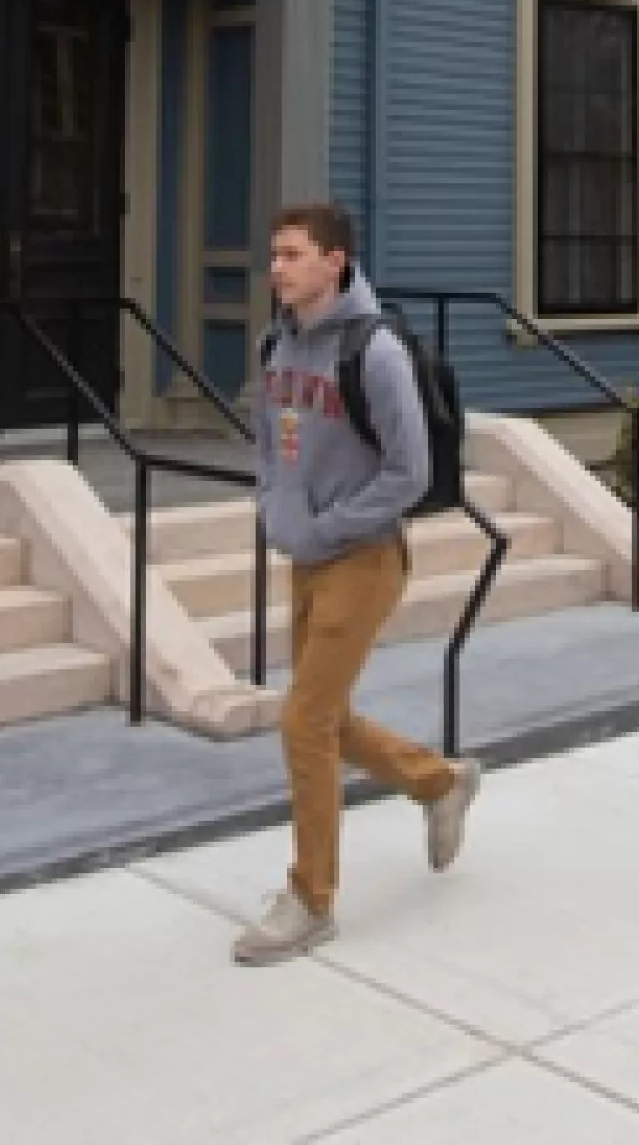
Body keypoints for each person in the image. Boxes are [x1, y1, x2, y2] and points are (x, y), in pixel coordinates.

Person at [233, 200, 480, 967]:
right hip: (305, 551)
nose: (277, 268)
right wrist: (271, 503)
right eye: (274, 254)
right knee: (326, 718)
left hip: (364, 556)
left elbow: (411, 471)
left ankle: (311, 899)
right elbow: (272, 439)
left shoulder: (373, 351)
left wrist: (329, 523)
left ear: (335, 260)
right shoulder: (279, 341)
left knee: (302, 720)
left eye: (293, 254)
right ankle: (440, 782)